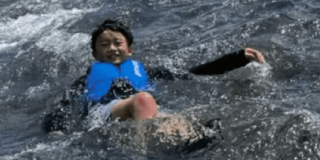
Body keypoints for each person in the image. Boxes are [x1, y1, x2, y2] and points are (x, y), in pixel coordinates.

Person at [42, 19, 265, 134]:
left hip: (141, 110)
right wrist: (56, 130)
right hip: (105, 113)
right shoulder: (86, 79)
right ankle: (146, 157)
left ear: (129, 50)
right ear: (95, 54)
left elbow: (191, 73)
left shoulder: (144, 70)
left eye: (118, 43)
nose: (111, 48)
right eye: (104, 45)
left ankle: (189, 143)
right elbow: (62, 106)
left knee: (178, 121)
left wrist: (238, 58)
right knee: (145, 100)